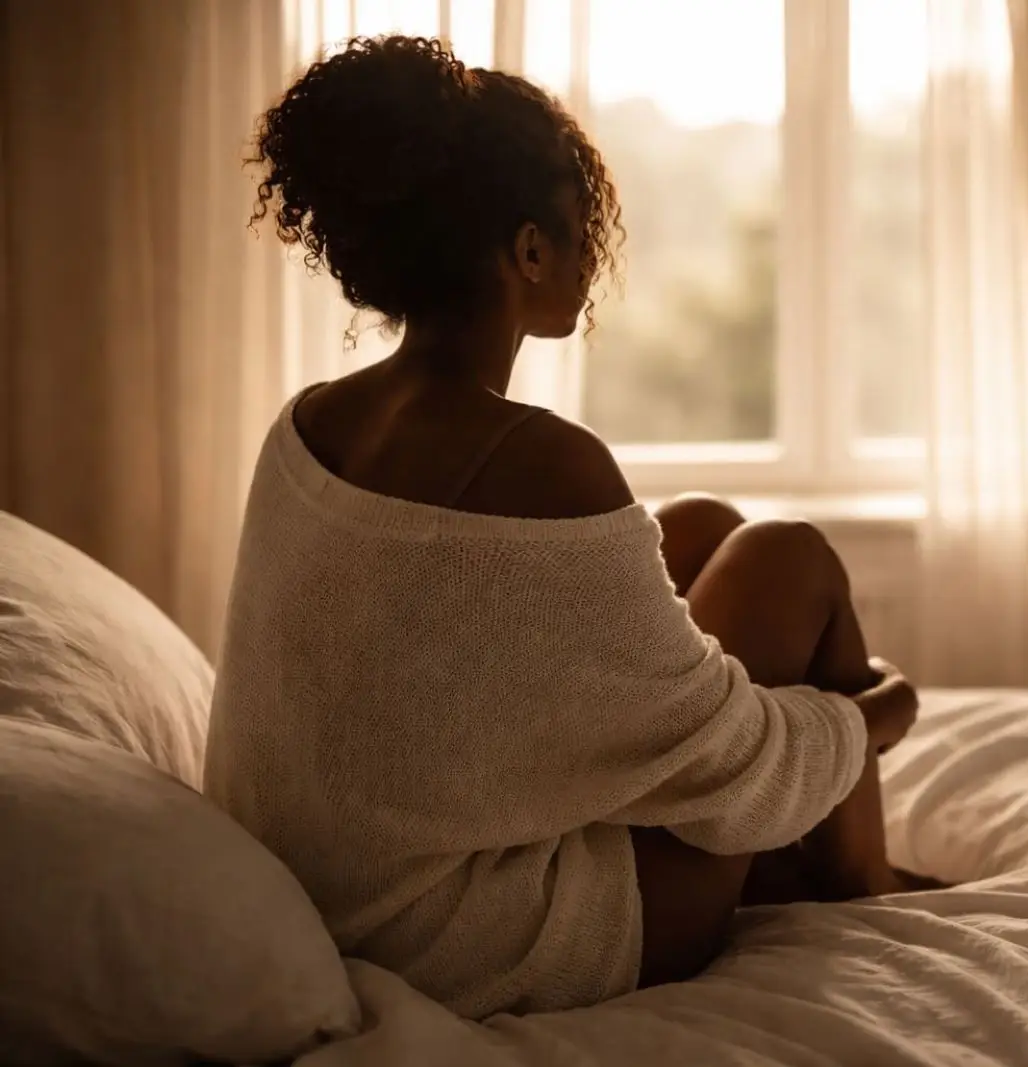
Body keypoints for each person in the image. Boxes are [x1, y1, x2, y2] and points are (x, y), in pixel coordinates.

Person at [204, 35, 939, 1022]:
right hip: (458, 944)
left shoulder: (309, 423)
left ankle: (841, 859)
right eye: (584, 216)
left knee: (701, 527)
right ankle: (861, 877)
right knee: (787, 556)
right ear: (530, 250)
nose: (598, 246)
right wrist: (875, 711)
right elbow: (737, 768)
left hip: (352, 896)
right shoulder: (538, 460)